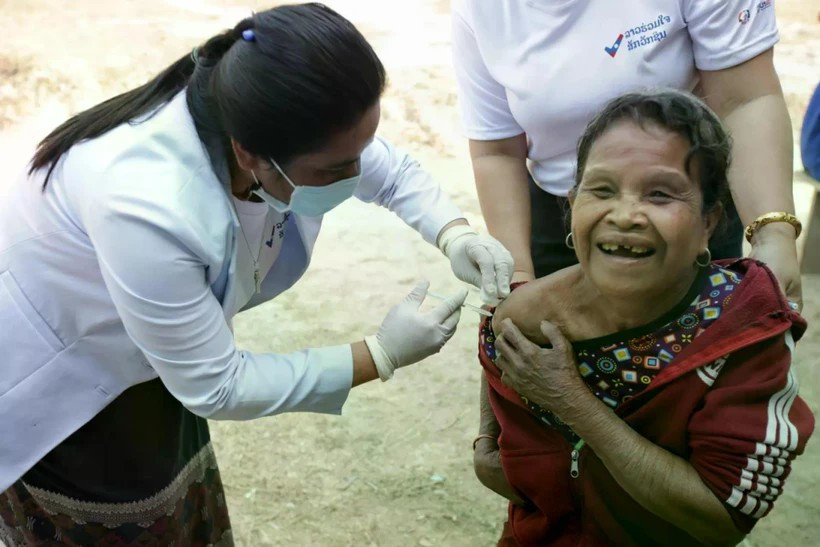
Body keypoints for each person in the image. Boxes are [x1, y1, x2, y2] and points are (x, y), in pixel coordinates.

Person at [0, 4, 514, 544]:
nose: (357, 173)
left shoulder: (267, 125)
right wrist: (379, 354)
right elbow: (217, 385)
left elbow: (387, 169)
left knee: (174, 503)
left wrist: (455, 233)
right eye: (338, 169)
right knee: (118, 520)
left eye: (360, 151)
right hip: (59, 383)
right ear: (250, 154)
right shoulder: (146, 206)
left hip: (140, 358)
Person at [472, 91, 814, 545]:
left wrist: (572, 403)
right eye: (602, 189)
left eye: (660, 193)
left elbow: (723, 517)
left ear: (709, 223)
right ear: (572, 204)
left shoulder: (746, 328)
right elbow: (497, 348)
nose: (626, 215)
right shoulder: (529, 313)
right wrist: (485, 448)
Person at [451, 0, 804, 310]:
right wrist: (519, 279)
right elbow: (497, 151)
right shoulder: (480, 8)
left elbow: (744, 100)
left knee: (700, 365)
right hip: (557, 215)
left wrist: (773, 233)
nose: (625, 219)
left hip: (682, 205)